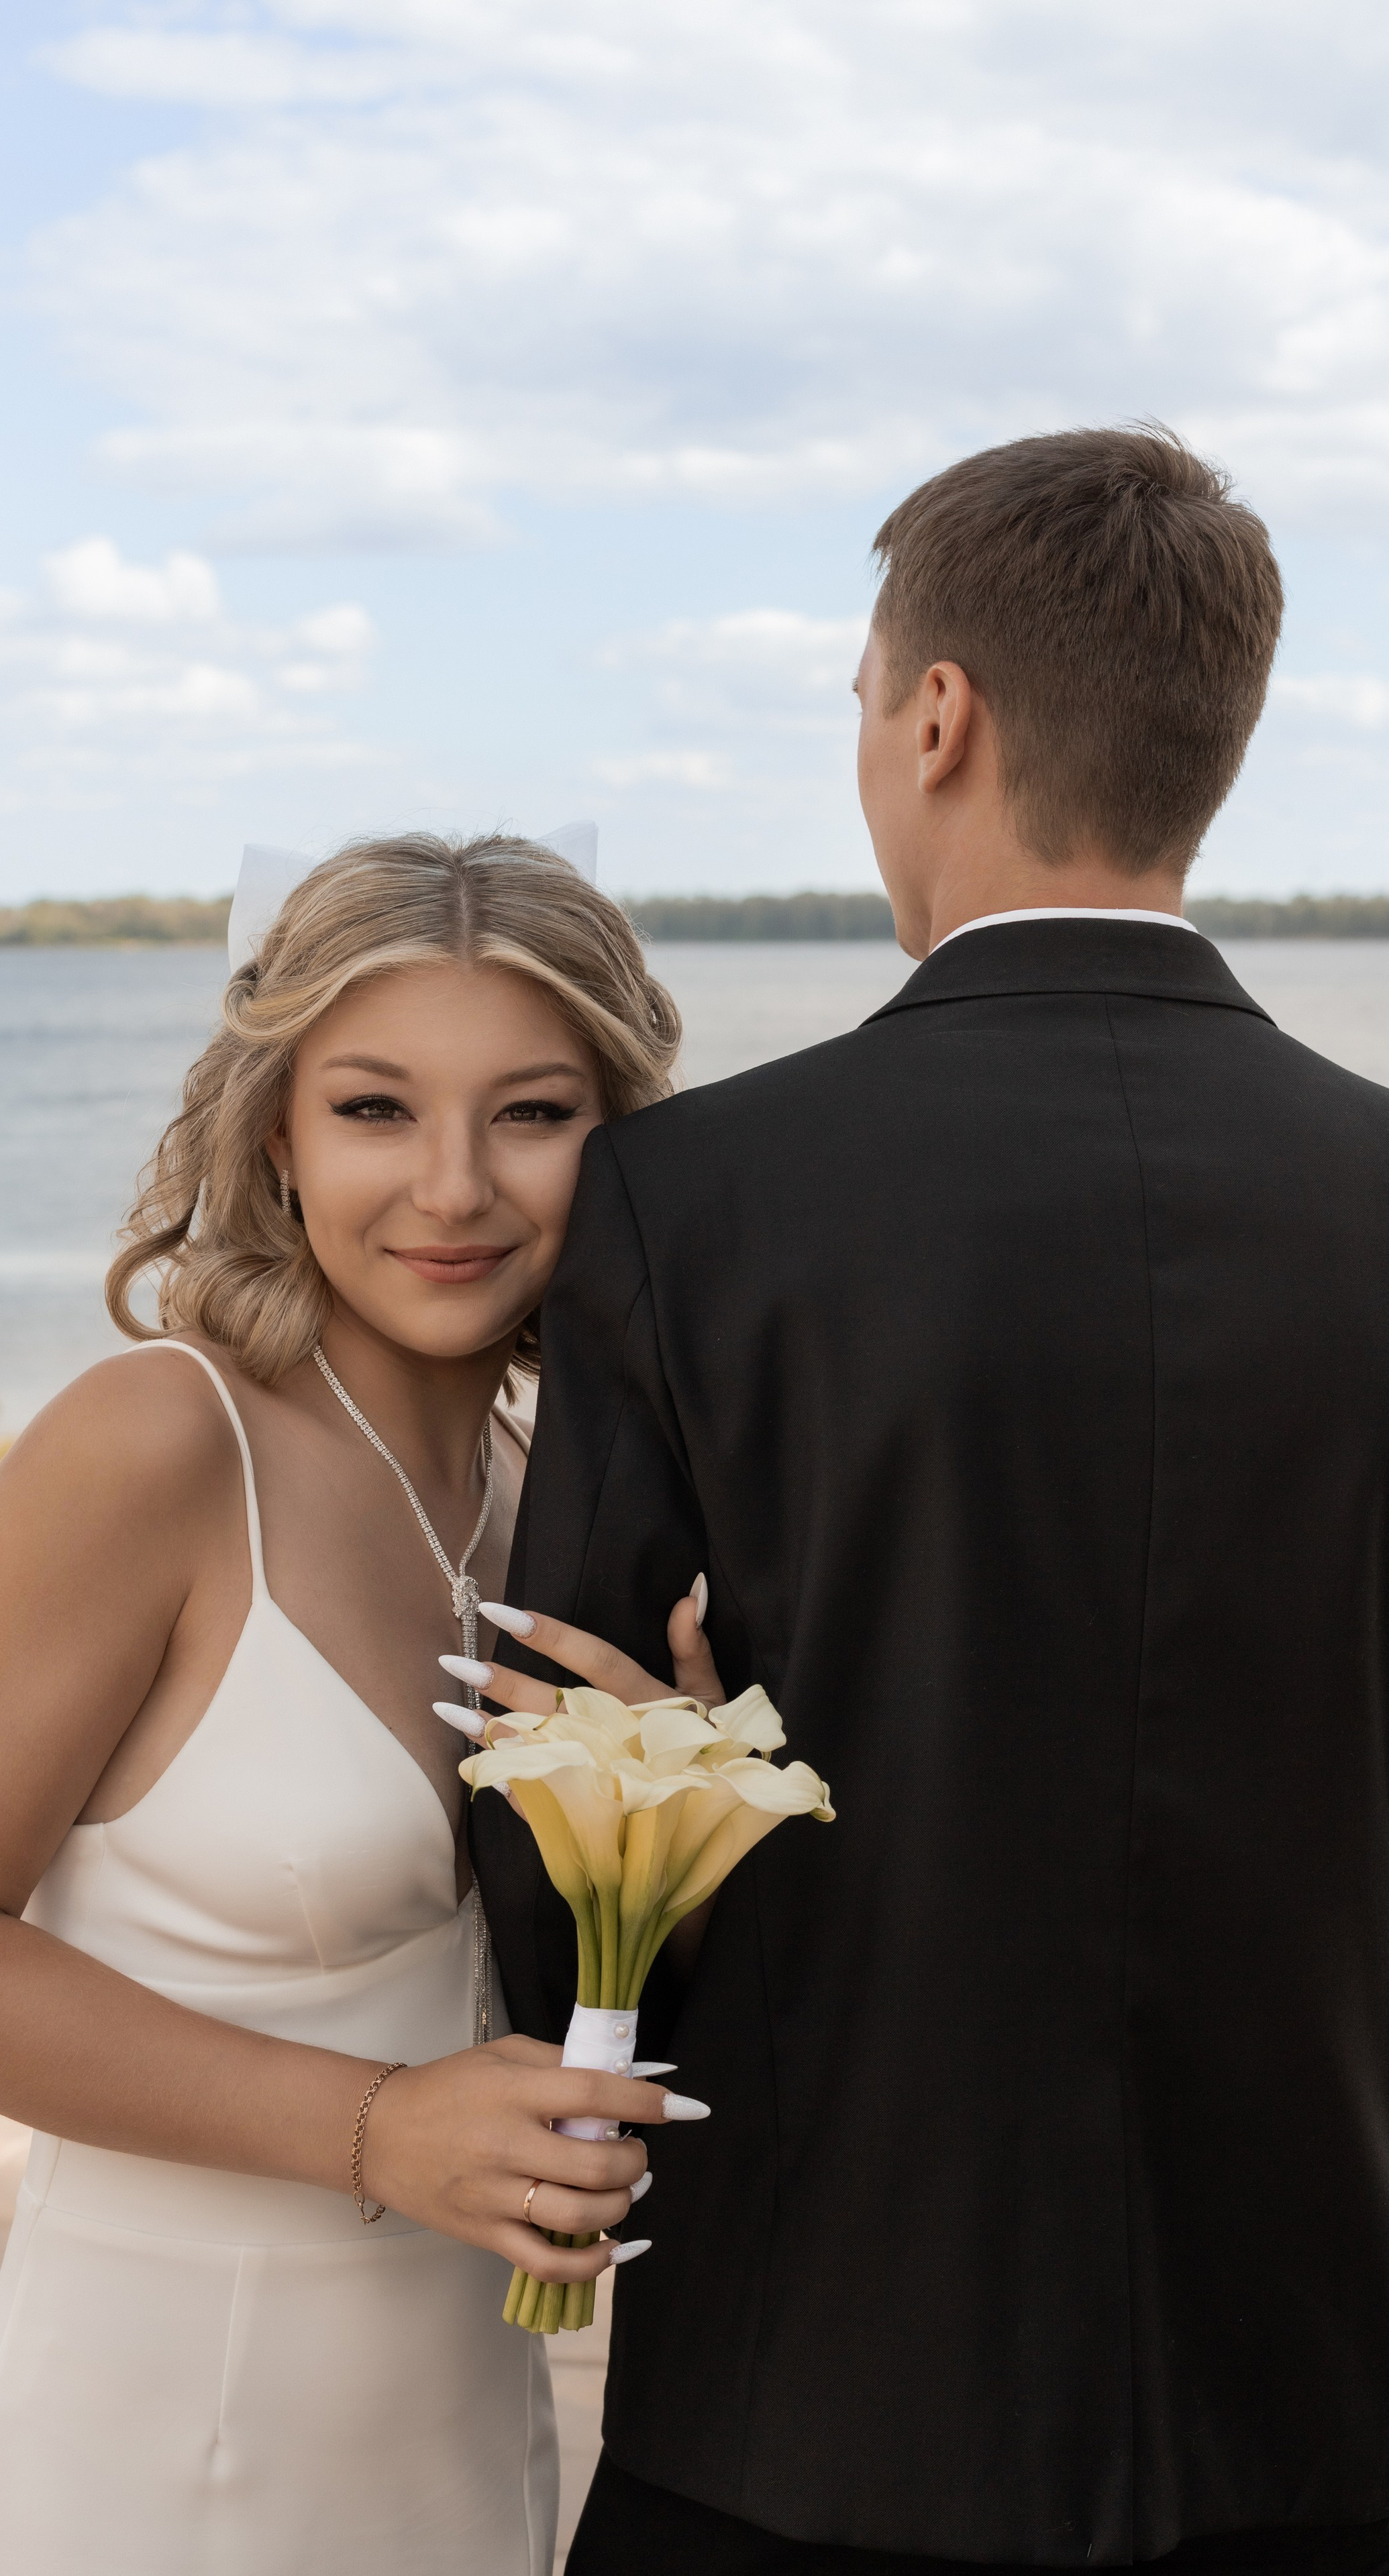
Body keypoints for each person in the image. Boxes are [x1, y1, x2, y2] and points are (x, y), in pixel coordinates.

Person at [474, 427, 1389, 2574]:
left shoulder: (696, 1201)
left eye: (865, 706)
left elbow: (561, 1815)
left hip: (816, 2415)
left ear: (941, 716)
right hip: (1328, 2392)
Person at [0, 831, 717, 2576]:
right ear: (275, 1133)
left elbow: (547, 2002)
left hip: (464, 2440)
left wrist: (673, 1854)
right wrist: (380, 2128)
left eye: (531, 1113)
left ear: (620, 1146)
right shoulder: (159, 1442)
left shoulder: (551, 1502)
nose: (453, 1188)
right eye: (376, 1109)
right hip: (157, 2454)